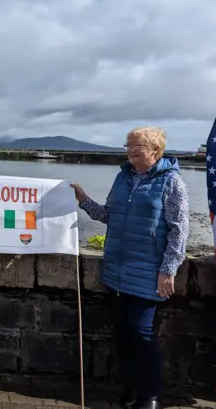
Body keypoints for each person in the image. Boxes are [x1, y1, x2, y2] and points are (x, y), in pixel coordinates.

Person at [71, 126, 189, 409]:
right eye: (128, 145)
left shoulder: (172, 182)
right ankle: (130, 389)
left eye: (137, 146)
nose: (130, 150)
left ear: (155, 150)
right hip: (116, 271)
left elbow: (179, 230)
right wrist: (83, 200)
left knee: (141, 333)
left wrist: (168, 268)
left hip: (148, 272)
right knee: (122, 334)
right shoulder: (123, 177)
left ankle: (149, 395)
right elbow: (109, 215)